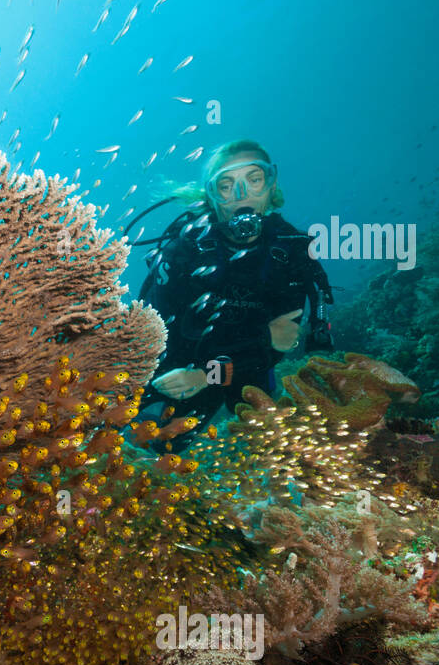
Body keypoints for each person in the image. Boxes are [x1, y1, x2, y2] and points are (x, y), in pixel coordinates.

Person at [131, 141, 335, 449]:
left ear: (271, 185)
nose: (242, 195)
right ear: (211, 196)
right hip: (178, 361)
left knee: (261, 429)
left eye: (254, 180)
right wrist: (255, 339)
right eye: (226, 185)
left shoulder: (293, 252)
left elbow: (279, 346)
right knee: (158, 443)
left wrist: (206, 376)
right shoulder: (186, 248)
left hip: (243, 367)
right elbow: (162, 333)